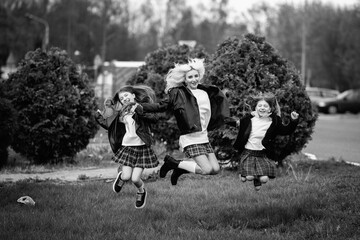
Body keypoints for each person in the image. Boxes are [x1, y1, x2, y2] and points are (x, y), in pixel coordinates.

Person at [140, 58, 230, 185]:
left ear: (200, 76)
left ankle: (179, 167)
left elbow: (217, 111)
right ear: (185, 79)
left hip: (203, 136)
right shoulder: (178, 93)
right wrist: (141, 106)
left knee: (215, 169)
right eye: (190, 77)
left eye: (196, 76)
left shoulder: (205, 92)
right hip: (191, 137)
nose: (194, 79)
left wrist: (232, 121)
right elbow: (160, 106)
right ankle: (173, 163)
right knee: (207, 169)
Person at [231, 92, 299, 191]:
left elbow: (286, 130)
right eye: (260, 105)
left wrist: (293, 121)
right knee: (247, 177)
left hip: (261, 154)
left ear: (270, 109)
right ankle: (243, 173)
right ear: (256, 107)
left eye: (265, 106)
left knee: (264, 179)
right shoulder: (249, 119)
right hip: (248, 153)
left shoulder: (274, 121)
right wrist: (223, 120)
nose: (262, 108)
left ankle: (256, 178)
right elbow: (237, 124)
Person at [107, 85, 159, 209]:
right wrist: (101, 119)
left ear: (133, 95)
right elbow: (113, 127)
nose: (124, 98)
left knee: (135, 179)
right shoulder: (123, 112)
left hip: (142, 148)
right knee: (126, 176)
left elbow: (155, 118)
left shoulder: (142, 107)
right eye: (121, 98)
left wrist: (140, 113)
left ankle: (141, 191)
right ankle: (121, 177)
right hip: (128, 147)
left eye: (126, 95)